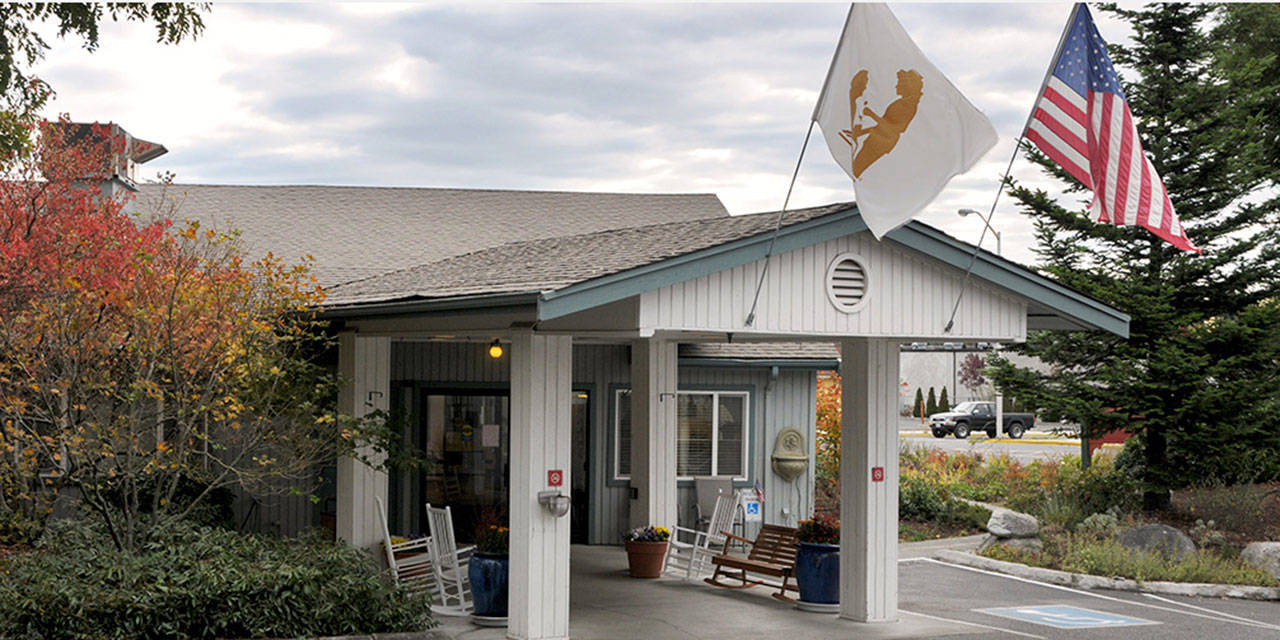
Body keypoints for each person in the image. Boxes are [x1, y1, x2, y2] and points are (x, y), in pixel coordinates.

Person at [846, 69, 924, 179]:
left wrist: (871, 114)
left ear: (908, 86)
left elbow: (893, 129)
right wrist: (859, 133)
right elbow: (883, 125)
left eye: (899, 83)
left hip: (881, 144)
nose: (896, 86)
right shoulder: (901, 102)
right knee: (857, 168)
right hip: (876, 139)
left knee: (858, 170)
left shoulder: (908, 105)